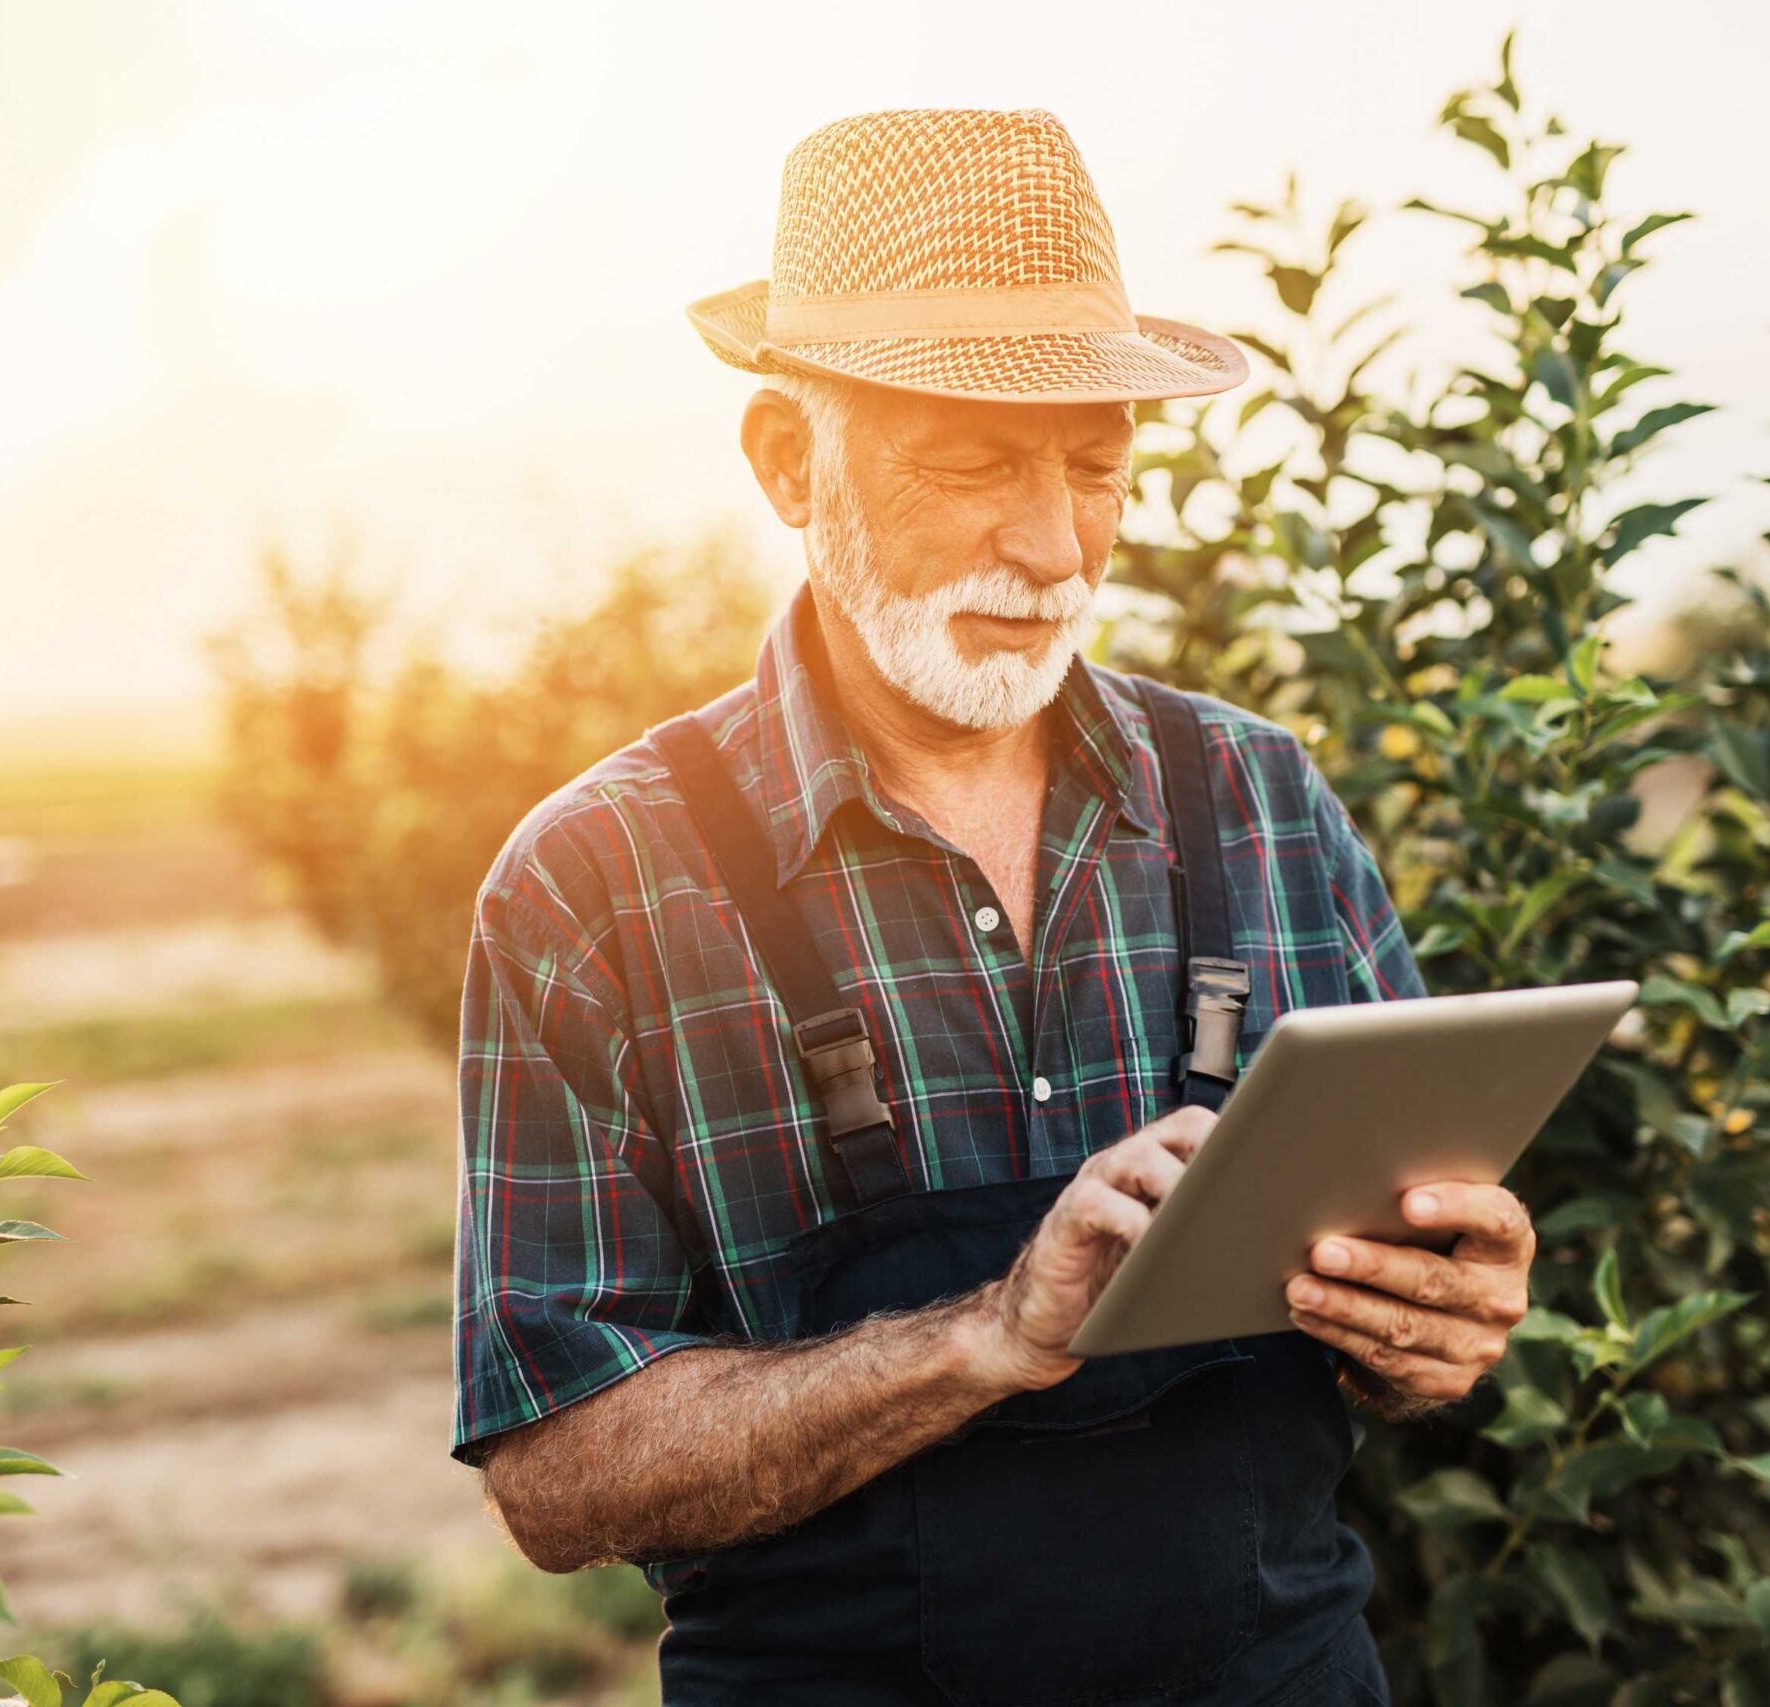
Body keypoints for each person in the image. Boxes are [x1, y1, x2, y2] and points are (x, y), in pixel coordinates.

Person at [452, 106, 1535, 1705]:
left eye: (1098, 469)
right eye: (970, 464)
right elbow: (555, 1480)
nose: (1050, 546)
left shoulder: (1253, 797)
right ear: (784, 463)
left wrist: (1439, 1325)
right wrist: (986, 1335)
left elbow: (1406, 1311)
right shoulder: (597, 885)